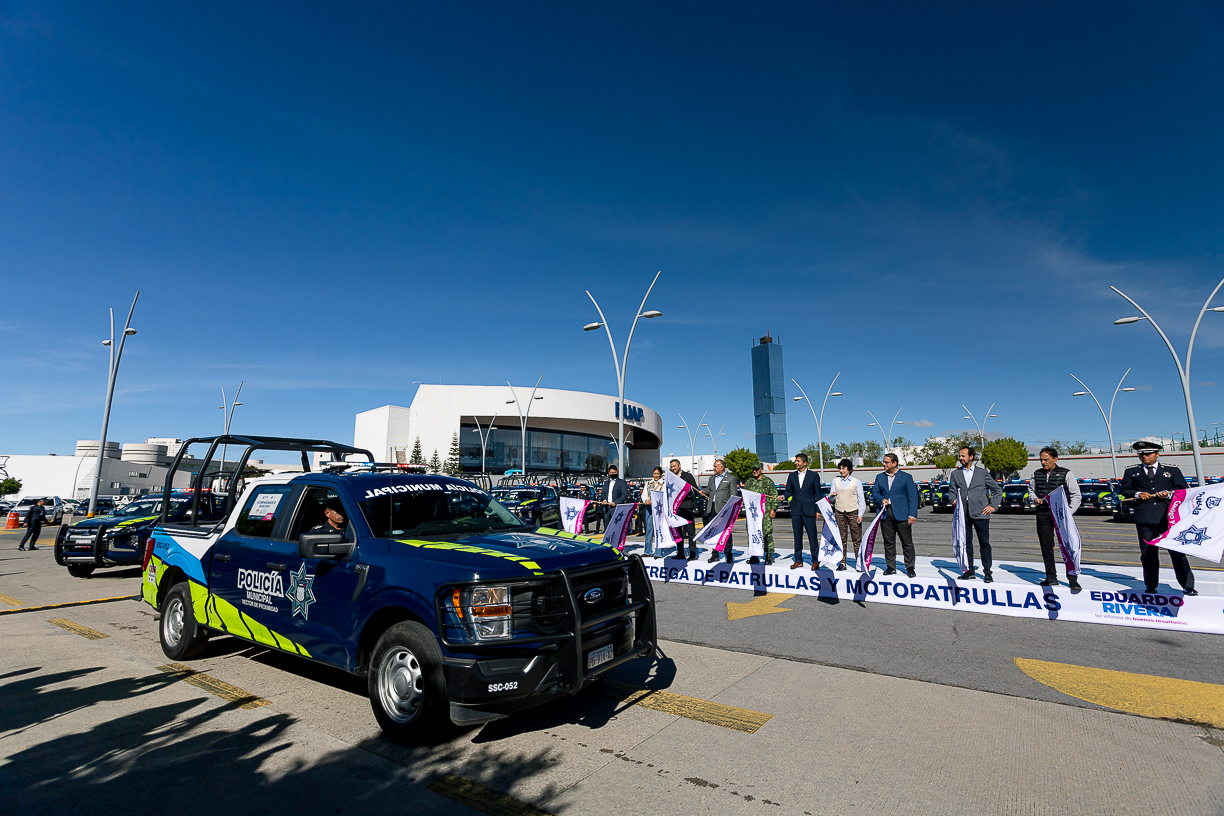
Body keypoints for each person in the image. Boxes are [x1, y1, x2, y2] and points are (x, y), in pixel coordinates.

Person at [1119, 440, 1197, 595]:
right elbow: (1125, 490)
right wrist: (1137, 494)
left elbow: (1183, 490)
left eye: (1148, 454)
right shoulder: (1131, 471)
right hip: (1145, 517)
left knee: (1177, 552)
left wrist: (1168, 494)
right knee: (1148, 554)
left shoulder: (1171, 470)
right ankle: (1151, 585)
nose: (1144, 457)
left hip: (1168, 516)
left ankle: (1188, 586)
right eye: (1141, 454)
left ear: (1157, 454)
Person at [1026, 447, 1082, 588]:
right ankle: (1051, 577)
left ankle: (1072, 578)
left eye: (1046, 459)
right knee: (1046, 546)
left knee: (1068, 546)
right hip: (1043, 513)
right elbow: (1031, 490)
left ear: (1055, 459)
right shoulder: (1036, 474)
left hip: (1061, 515)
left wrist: (1068, 512)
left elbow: (1076, 495)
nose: (1043, 462)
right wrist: (1035, 499)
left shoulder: (1066, 473)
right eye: (1041, 460)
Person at [948, 446, 1002, 582]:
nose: (960, 458)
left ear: (971, 457)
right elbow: (951, 491)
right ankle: (969, 570)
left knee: (984, 543)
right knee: (966, 543)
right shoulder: (955, 474)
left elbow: (997, 490)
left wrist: (993, 506)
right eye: (959, 456)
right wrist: (953, 499)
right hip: (963, 514)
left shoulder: (982, 473)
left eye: (963, 456)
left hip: (981, 513)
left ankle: (987, 572)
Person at [871, 454, 920, 576]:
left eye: (887, 462)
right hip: (885, 513)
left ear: (895, 463)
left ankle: (909, 567)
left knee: (907, 542)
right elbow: (875, 493)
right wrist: (881, 499)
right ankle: (890, 566)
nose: (884, 464)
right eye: (883, 462)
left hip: (902, 514)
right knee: (888, 541)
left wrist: (912, 515)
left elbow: (913, 497)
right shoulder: (880, 477)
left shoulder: (906, 477)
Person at [783, 452, 822, 570]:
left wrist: (818, 510)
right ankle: (798, 560)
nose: (796, 463)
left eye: (798, 461)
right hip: (796, 510)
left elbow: (818, 494)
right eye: (795, 461)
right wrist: (783, 496)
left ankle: (815, 560)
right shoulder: (792, 476)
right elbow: (788, 490)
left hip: (809, 510)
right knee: (797, 536)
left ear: (805, 463)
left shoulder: (813, 476)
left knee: (812, 536)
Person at [828, 459, 865, 571]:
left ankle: (859, 562)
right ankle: (842, 562)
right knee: (841, 538)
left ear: (849, 469)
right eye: (840, 468)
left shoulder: (856, 481)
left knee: (856, 539)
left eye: (843, 468)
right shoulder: (835, 481)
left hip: (853, 511)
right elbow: (831, 498)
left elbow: (861, 499)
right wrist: (832, 496)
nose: (841, 470)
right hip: (839, 511)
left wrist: (860, 514)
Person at [703, 458, 741, 563]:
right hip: (712, 508)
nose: (713, 468)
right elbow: (709, 491)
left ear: (722, 467)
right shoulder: (711, 479)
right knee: (713, 532)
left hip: (724, 508)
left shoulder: (731, 478)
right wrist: (704, 493)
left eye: (715, 466)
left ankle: (728, 554)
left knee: (726, 532)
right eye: (714, 466)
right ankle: (715, 554)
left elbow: (733, 495)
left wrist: (729, 508)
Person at [742, 461, 779, 565]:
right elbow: (745, 495)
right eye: (753, 469)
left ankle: (768, 555)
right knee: (752, 532)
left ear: (762, 470)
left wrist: (773, 509)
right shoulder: (749, 481)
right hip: (753, 513)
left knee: (766, 533)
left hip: (765, 512)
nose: (754, 471)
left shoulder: (768, 481)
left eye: (757, 469)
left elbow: (774, 495)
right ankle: (754, 556)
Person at [669, 459, 699, 559]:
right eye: (672, 467)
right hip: (676, 509)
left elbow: (694, 490)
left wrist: (685, 492)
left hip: (687, 508)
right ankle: (680, 552)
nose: (673, 468)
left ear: (679, 466)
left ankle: (692, 553)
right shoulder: (671, 477)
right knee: (678, 532)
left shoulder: (688, 476)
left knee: (690, 532)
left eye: (674, 466)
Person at [641, 466, 666, 556]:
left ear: (660, 474)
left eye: (657, 474)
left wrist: (655, 501)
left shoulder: (664, 484)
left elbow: (663, 496)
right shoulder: (648, 483)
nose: (656, 475)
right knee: (648, 529)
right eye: (654, 474)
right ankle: (647, 551)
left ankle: (658, 552)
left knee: (658, 530)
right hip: (649, 508)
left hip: (659, 509)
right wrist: (646, 500)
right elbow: (644, 494)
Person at [598, 464, 629, 530]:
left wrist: (615, 502)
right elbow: (603, 494)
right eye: (611, 472)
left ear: (617, 472)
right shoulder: (606, 483)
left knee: (616, 527)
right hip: (607, 507)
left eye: (615, 472)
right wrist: (604, 500)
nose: (613, 474)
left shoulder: (621, 482)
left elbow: (625, 494)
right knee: (607, 527)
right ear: (609, 473)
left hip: (616, 507)